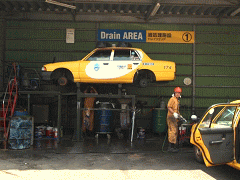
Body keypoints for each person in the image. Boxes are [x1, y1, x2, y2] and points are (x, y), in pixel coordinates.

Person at [166, 87, 182, 153]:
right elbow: (169, 107)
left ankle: (173, 146)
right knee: (172, 131)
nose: (178, 94)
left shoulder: (177, 100)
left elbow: (177, 109)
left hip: (174, 118)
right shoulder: (172, 99)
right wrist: (174, 113)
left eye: (179, 93)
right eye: (177, 93)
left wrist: (179, 115)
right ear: (174, 93)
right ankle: (170, 147)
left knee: (175, 131)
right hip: (171, 117)